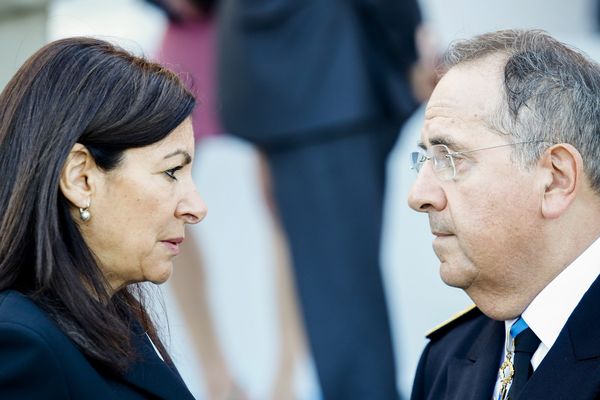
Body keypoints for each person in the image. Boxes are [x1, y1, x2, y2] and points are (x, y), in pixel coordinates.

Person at [218, 1, 436, 398]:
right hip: (315, 76)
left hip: (318, 77)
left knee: (341, 296)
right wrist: (411, 40)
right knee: (341, 296)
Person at [0, 36, 206, 399]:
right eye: (172, 171)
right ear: (81, 179)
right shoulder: (22, 345)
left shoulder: (111, 319)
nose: (196, 207)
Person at [408, 29, 600, 400]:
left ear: (555, 179)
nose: (419, 197)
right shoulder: (447, 359)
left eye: (450, 158)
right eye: (425, 160)